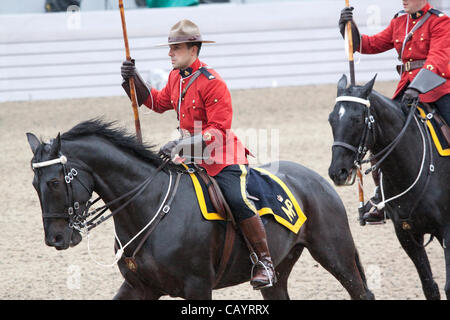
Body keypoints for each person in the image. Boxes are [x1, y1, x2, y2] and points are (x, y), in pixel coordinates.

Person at [120, 19, 276, 289]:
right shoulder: (175, 78)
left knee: (236, 199)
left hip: (222, 158)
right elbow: (156, 103)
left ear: (194, 49)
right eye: (170, 48)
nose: (170, 53)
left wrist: (181, 145)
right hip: (189, 158)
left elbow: (217, 131)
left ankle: (264, 261)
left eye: (176, 48)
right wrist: (133, 80)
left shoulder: (212, 83)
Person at [339, 0, 450, 223]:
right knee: (380, 137)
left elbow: (438, 59)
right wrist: (349, 29)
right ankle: (382, 197)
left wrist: (418, 86)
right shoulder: (400, 20)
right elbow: (369, 45)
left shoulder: (441, 22)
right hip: (406, 91)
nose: (404, 0)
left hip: (436, 89)